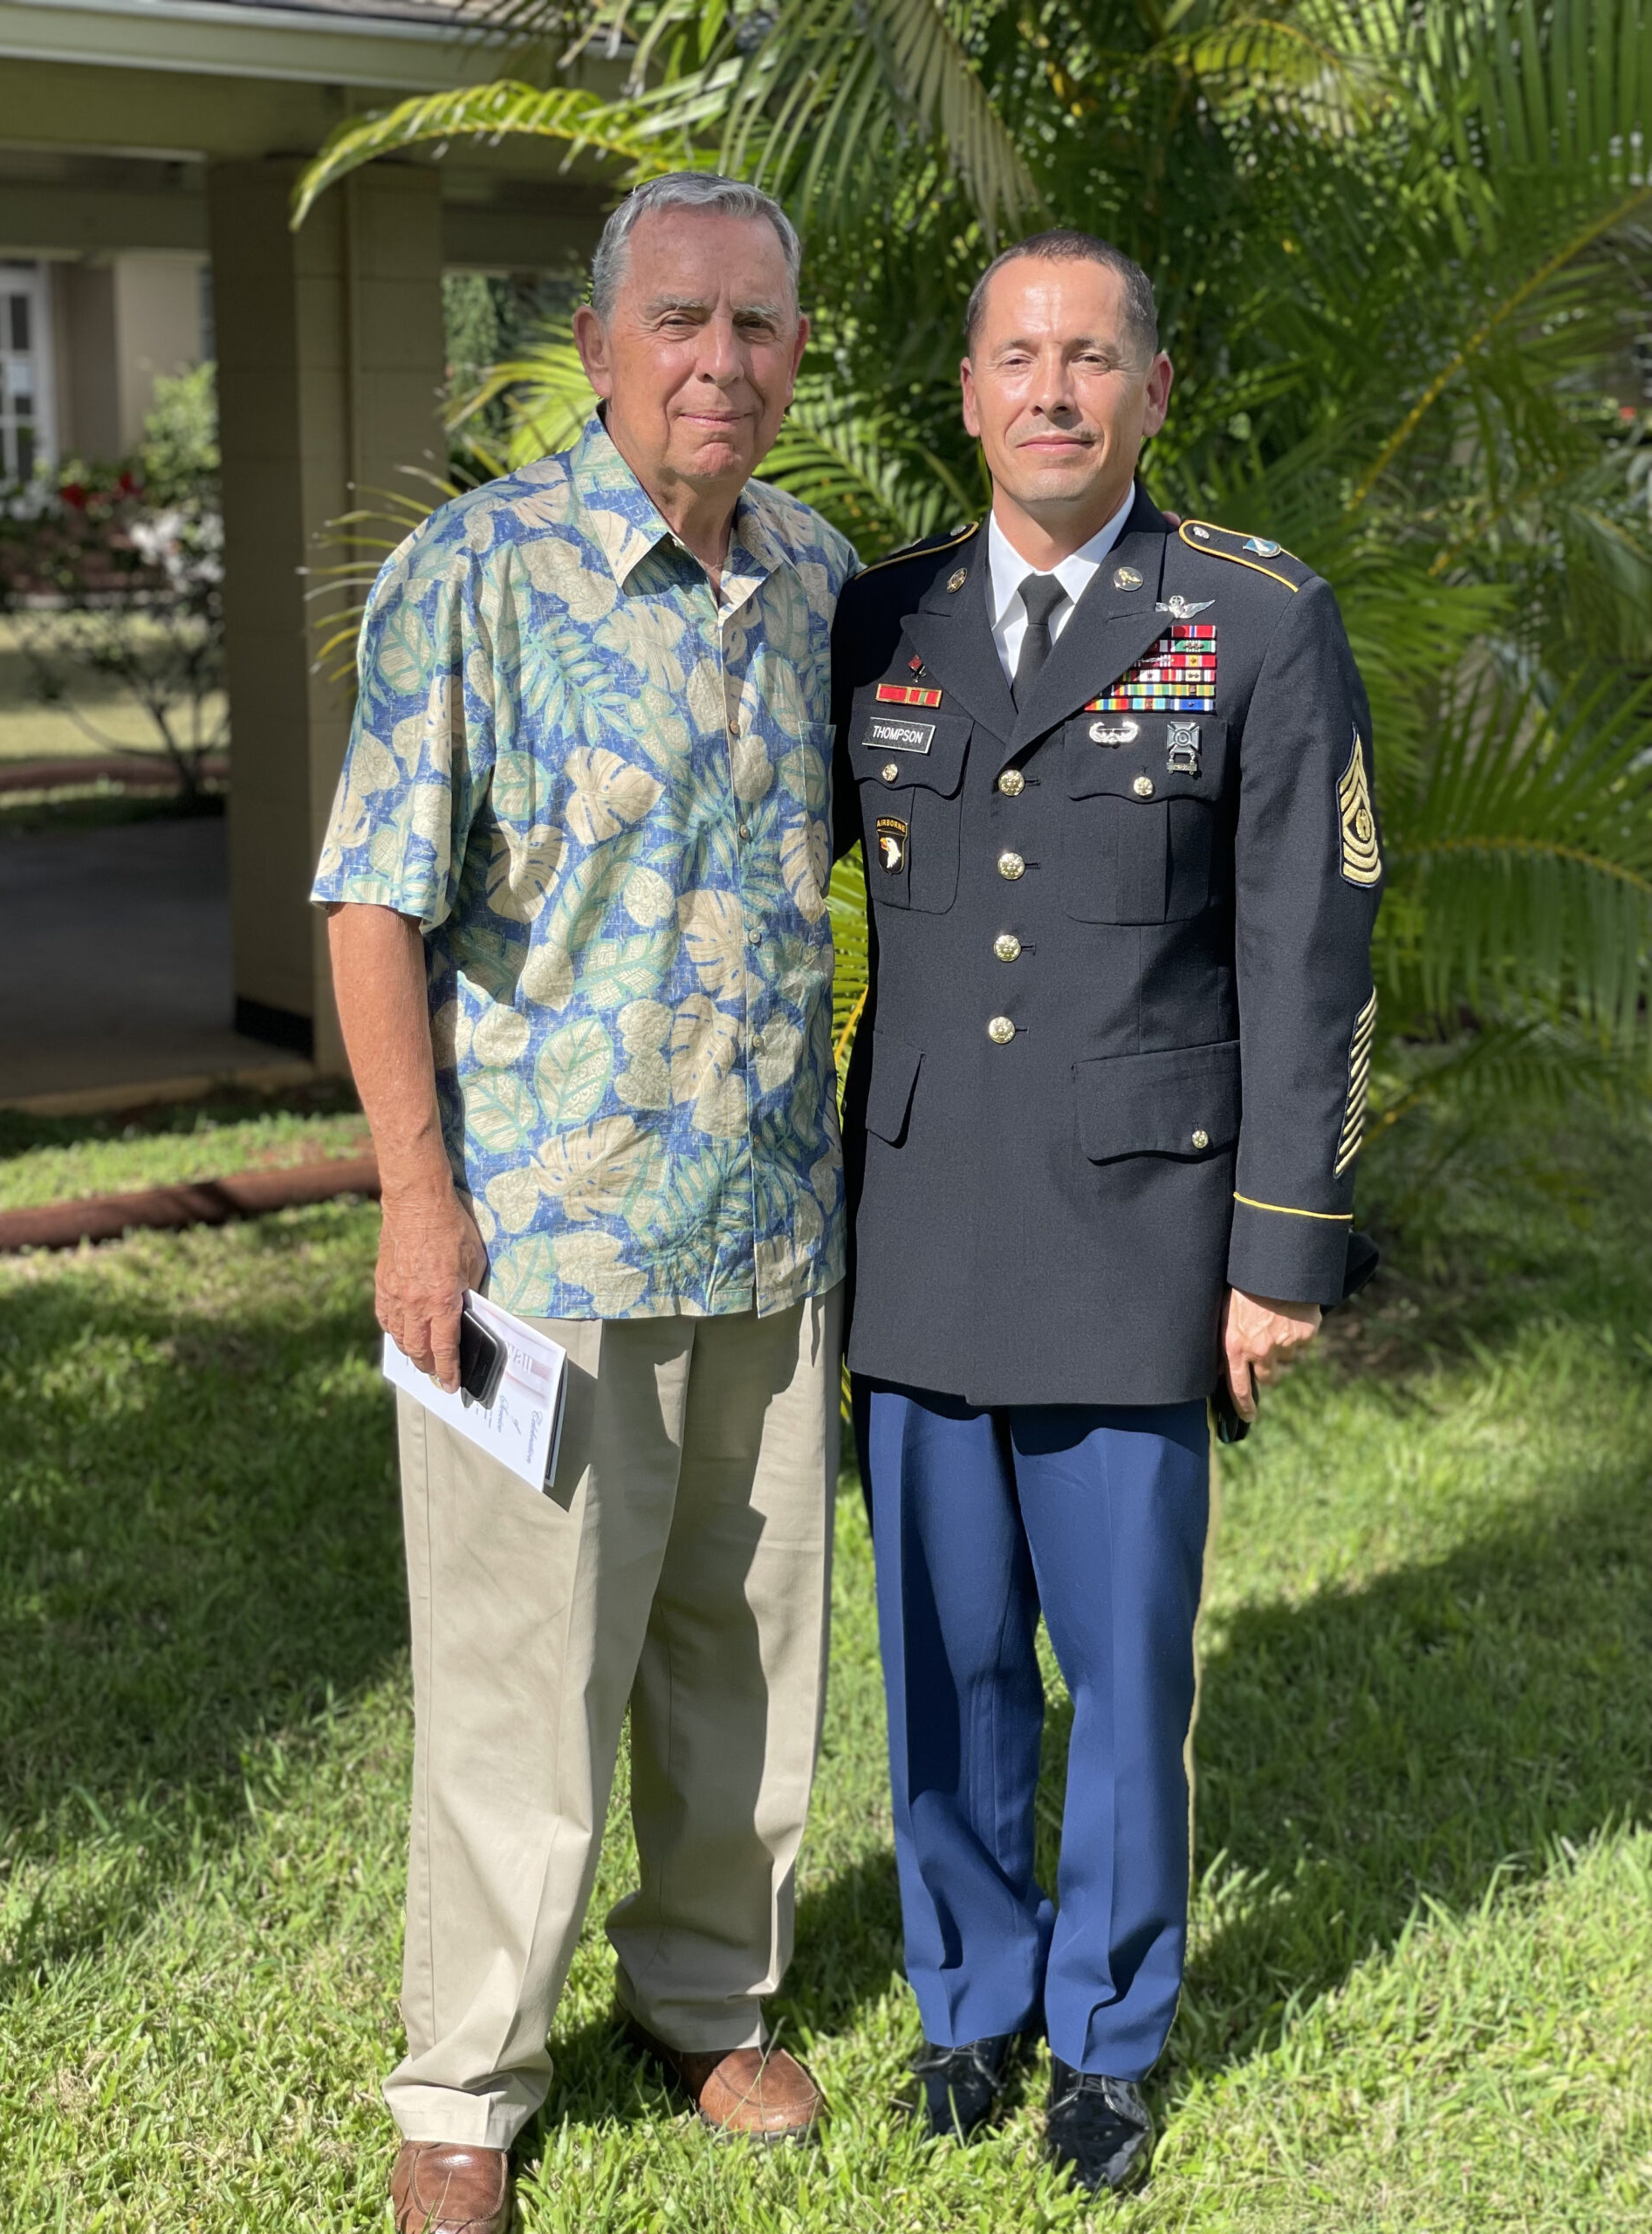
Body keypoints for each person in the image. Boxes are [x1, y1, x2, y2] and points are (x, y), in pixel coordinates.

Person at [313, 173, 857, 2234]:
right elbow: (374, 896)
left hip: (768, 1230)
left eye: (761, 327)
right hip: (540, 1240)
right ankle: (464, 2075)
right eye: (685, 322)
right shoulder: (478, 571)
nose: (724, 360)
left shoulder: (816, 576)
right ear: (600, 341)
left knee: (745, 1638)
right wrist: (415, 1199)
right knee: (519, 1672)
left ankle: (709, 1990)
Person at [831, 230, 1381, 2196]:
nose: (1051, 390)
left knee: (1122, 1675)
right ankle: (968, 2002)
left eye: (1091, 357)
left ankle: (1110, 2036)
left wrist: (1278, 1250)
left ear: (1153, 391)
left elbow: (1309, 957)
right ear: (966, 395)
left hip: (1135, 1243)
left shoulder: (1249, 618)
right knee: (944, 1648)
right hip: (914, 1228)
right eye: (1016, 357)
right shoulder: (874, 618)